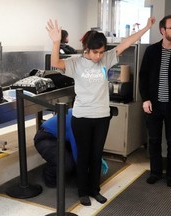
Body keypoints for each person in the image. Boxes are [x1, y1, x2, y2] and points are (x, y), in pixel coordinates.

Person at [46, 17, 156, 206]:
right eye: (95, 52)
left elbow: (127, 43)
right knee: (83, 154)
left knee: (97, 154)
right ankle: (82, 191)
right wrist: (56, 41)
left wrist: (146, 27)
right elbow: (55, 62)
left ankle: (94, 190)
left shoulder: (106, 58)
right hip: (81, 117)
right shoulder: (75, 63)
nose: (98, 56)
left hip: (102, 117)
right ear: (87, 49)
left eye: (101, 52)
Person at [139, 15, 171, 187]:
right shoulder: (151, 51)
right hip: (153, 104)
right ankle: (155, 172)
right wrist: (145, 99)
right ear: (162, 31)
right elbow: (143, 76)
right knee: (153, 140)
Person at [34, 108, 108, 188]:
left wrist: (98, 159)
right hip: (46, 138)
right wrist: (84, 173)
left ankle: (64, 165)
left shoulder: (85, 115)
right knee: (66, 164)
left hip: (63, 139)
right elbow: (77, 148)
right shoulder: (77, 121)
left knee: (78, 159)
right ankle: (49, 176)